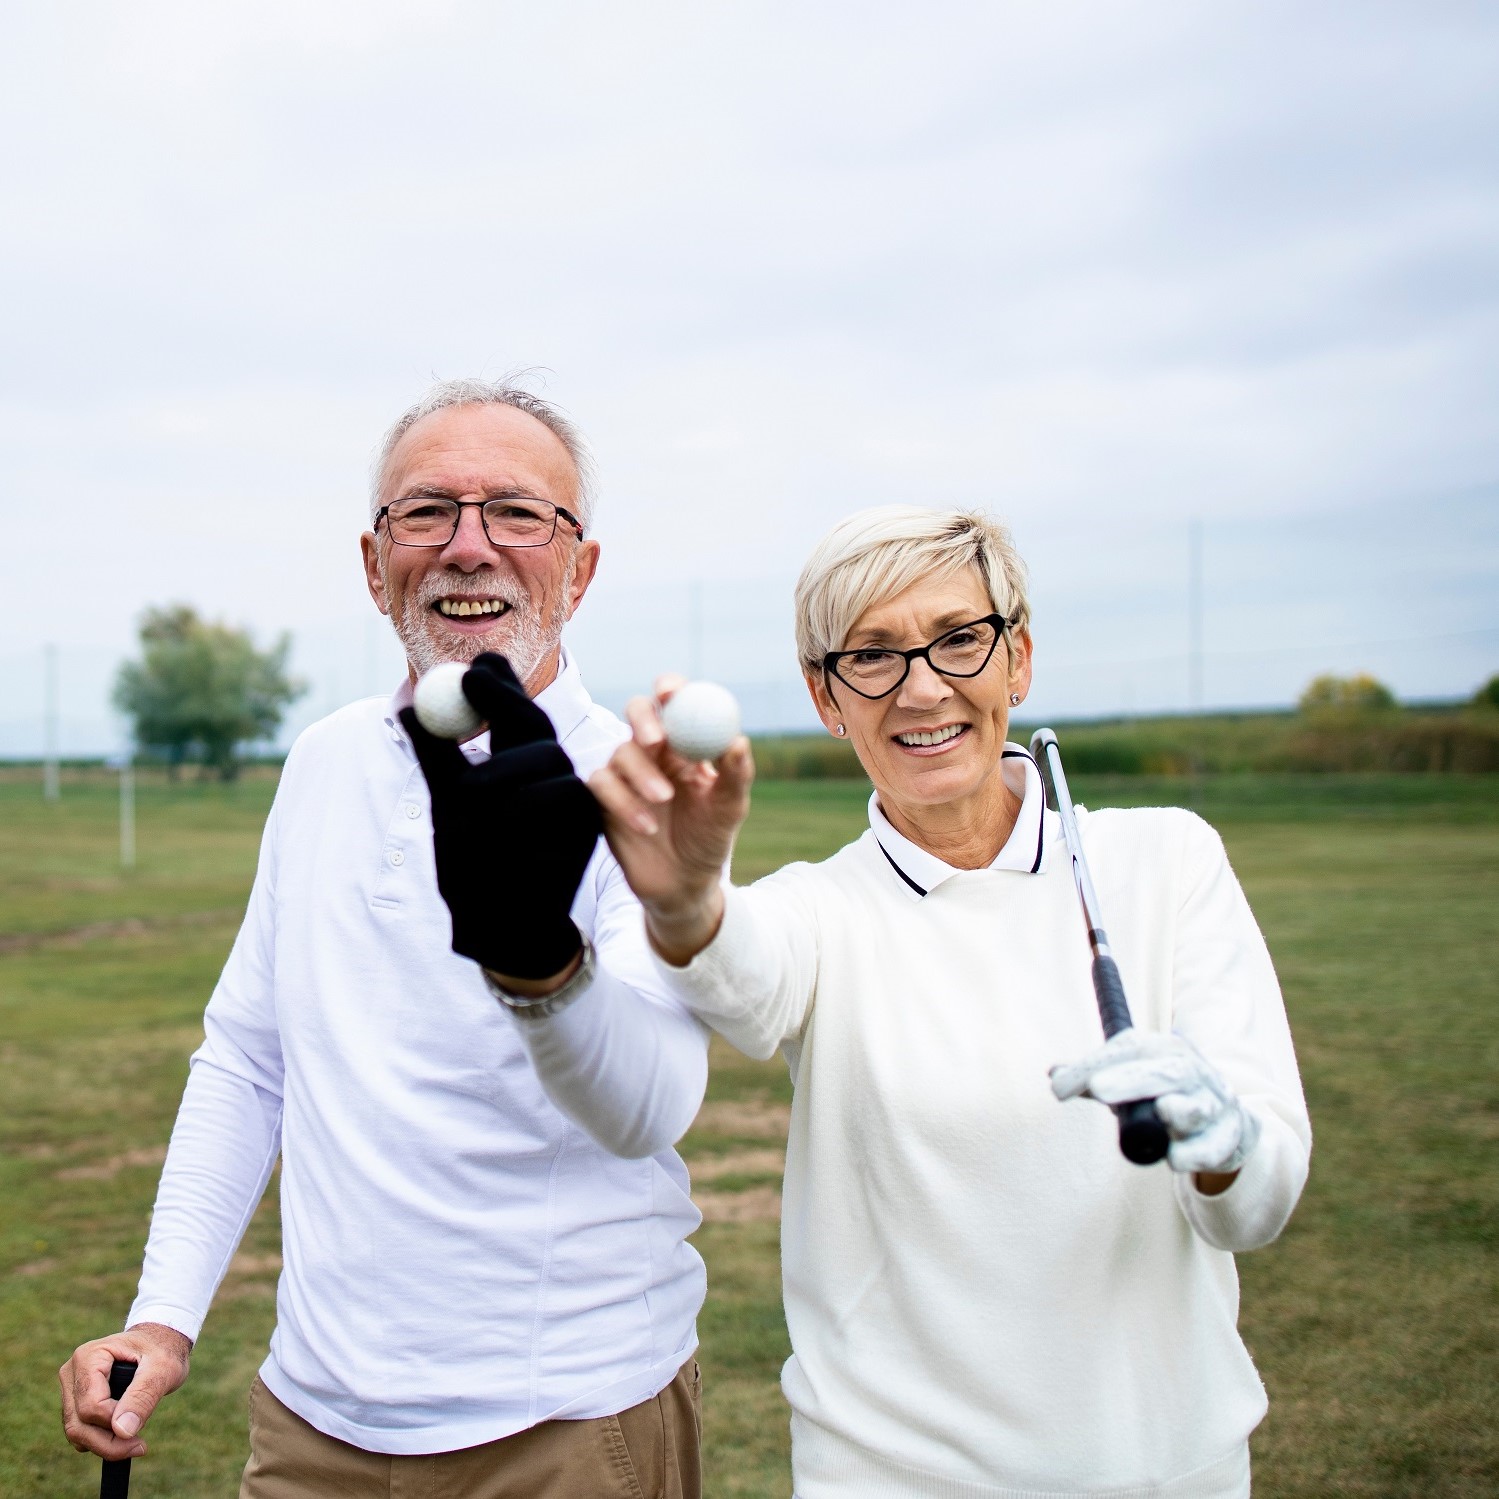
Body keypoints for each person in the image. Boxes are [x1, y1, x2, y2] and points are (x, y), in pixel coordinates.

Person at [576, 505, 1311, 1497]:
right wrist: (687, 896)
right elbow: (738, 970)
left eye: (959, 638)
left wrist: (1224, 1145)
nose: (921, 687)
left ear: (1018, 659)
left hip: (1171, 1469)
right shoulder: (820, 908)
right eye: (870, 655)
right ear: (824, 697)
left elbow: (1253, 1209)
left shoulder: (1166, 858)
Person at [59, 378, 709, 1496]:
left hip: (563, 1422)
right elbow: (249, 1057)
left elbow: (649, 1107)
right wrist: (161, 1318)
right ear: (374, 564)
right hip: (315, 1423)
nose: (468, 547)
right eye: (426, 513)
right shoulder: (324, 758)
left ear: (579, 567)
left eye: (515, 511)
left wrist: (536, 964)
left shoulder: (639, 781)